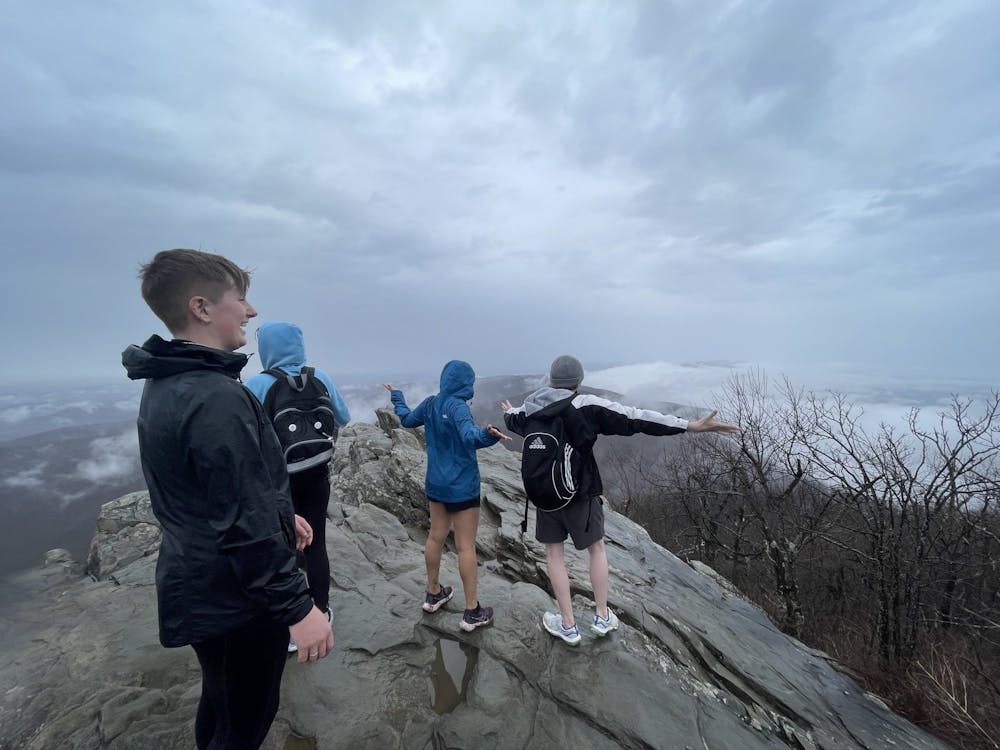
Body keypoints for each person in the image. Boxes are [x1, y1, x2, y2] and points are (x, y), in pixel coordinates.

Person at [122, 249, 333, 750]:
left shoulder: (172, 380)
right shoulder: (213, 397)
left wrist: (286, 519)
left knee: (222, 701)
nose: (251, 311)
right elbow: (240, 519)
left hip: (205, 582)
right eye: (240, 299)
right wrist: (298, 609)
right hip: (236, 599)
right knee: (246, 722)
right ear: (201, 307)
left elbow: (219, 494)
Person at [502, 355, 738, 646]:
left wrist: (510, 410)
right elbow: (636, 418)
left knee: (554, 555)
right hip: (580, 494)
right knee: (596, 548)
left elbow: (511, 418)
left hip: (545, 497)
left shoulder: (529, 410)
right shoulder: (585, 406)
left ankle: (568, 625)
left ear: (551, 380)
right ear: (578, 381)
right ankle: (602, 616)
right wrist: (689, 426)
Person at [245, 321, 350, 652]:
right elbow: (343, 416)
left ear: (266, 349)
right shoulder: (320, 377)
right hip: (318, 474)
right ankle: (321, 610)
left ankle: (292, 620)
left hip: (279, 481)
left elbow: (245, 436)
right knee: (315, 542)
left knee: (283, 546)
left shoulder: (258, 384)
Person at [384, 360, 511, 632]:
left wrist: (397, 396)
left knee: (435, 537)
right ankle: (472, 611)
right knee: (465, 547)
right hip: (462, 487)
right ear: (466, 383)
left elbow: (406, 419)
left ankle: (433, 593)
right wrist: (489, 436)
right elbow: (469, 436)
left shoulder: (431, 403)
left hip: (436, 485)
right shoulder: (458, 407)